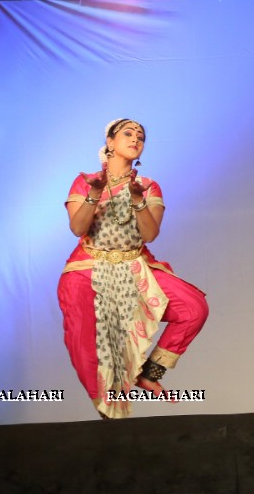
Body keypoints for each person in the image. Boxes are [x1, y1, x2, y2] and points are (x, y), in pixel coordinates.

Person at [58, 119, 209, 418]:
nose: (136, 138)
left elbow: (150, 234)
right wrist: (94, 194)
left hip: (134, 266)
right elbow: (77, 227)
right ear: (110, 142)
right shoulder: (85, 180)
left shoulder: (149, 186)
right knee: (90, 351)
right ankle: (110, 417)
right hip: (88, 270)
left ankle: (150, 373)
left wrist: (138, 200)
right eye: (128, 133)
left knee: (193, 307)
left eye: (141, 136)